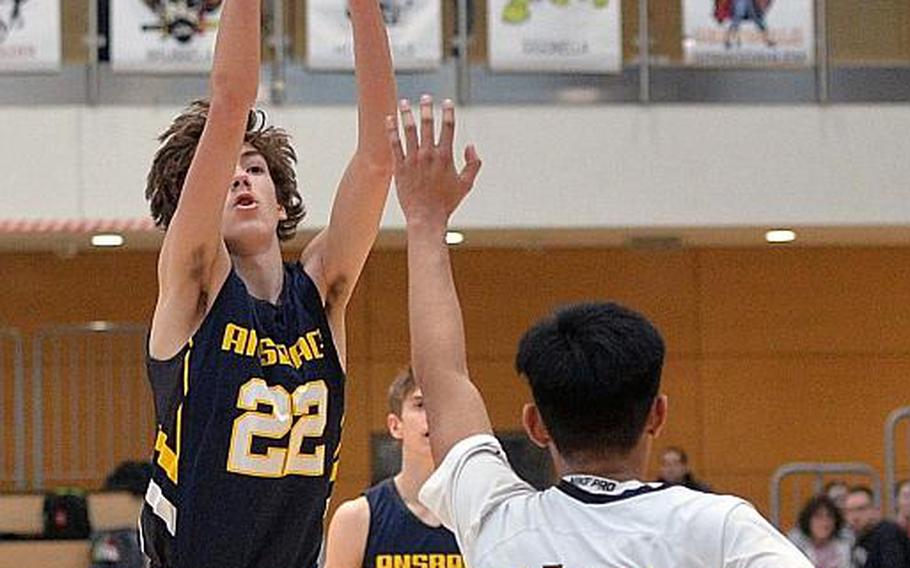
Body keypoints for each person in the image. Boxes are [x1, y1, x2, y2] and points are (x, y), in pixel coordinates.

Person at [386, 96, 812, 567]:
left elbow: (442, 376)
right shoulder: (720, 528)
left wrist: (424, 220)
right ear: (657, 414)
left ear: (535, 425)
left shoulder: (497, 519)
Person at [138, 0, 396, 565]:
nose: (239, 178)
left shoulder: (323, 292)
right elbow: (231, 103)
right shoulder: (195, 285)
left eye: (254, 168)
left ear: (282, 202)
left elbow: (379, 158)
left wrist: (364, 10)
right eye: (225, 171)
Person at [323, 369, 463, 568]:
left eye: (443, 404)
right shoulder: (357, 519)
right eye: (421, 404)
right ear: (395, 425)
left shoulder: (477, 516)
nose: (433, 414)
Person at [844, 485, 910, 568]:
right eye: (849, 511)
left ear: (875, 510)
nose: (854, 517)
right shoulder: (856, 537)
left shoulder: (888, 535)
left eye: (861, 509)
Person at [787, 495, 852, 568]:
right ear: (808, 520)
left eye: (829, 516)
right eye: (818, 517)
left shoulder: (846, 546)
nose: (824, 522)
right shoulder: (796, 547)